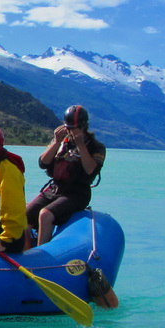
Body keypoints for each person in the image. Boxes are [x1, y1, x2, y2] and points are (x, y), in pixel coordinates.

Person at [25, 105, 106, 247]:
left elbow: (90, 170)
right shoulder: (62, 142)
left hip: (77, 192)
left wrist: (81, 146)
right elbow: (43, 163)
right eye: (69, 128)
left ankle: (41, 252)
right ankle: (26, 252)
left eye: (76, 128)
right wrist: (56, 142)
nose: (72, 132)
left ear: (84, 126)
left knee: (45, 214)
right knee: (25, 215)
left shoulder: (96, 147)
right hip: (56, 188)